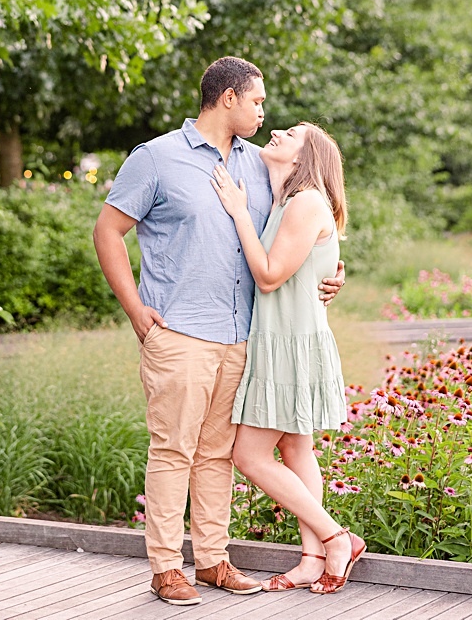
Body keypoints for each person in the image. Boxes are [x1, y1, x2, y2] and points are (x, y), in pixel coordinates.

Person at [93, 57, 345, 607]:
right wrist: (137, 312)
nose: (263, 111)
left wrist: (333, 272)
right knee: (173, 450)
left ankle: (212, 560)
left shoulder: (260, 164)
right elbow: (108, 231)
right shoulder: (156, 158)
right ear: (227, 98)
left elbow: (312, 218)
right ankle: (167, 569)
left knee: (216, 454)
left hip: (243, 337)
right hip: (178, 332)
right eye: (256, 101)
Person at [210, 122, 366, 594]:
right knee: (296, 449)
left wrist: (238, 212)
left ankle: (337, 539)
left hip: (290, 345)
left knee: (248, 455)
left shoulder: (305, 202)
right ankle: (311, 560)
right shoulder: (286, 200)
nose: (275, 130)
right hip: (286, 339)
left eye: (292, 133)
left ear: (306, 158)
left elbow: (271, 276)